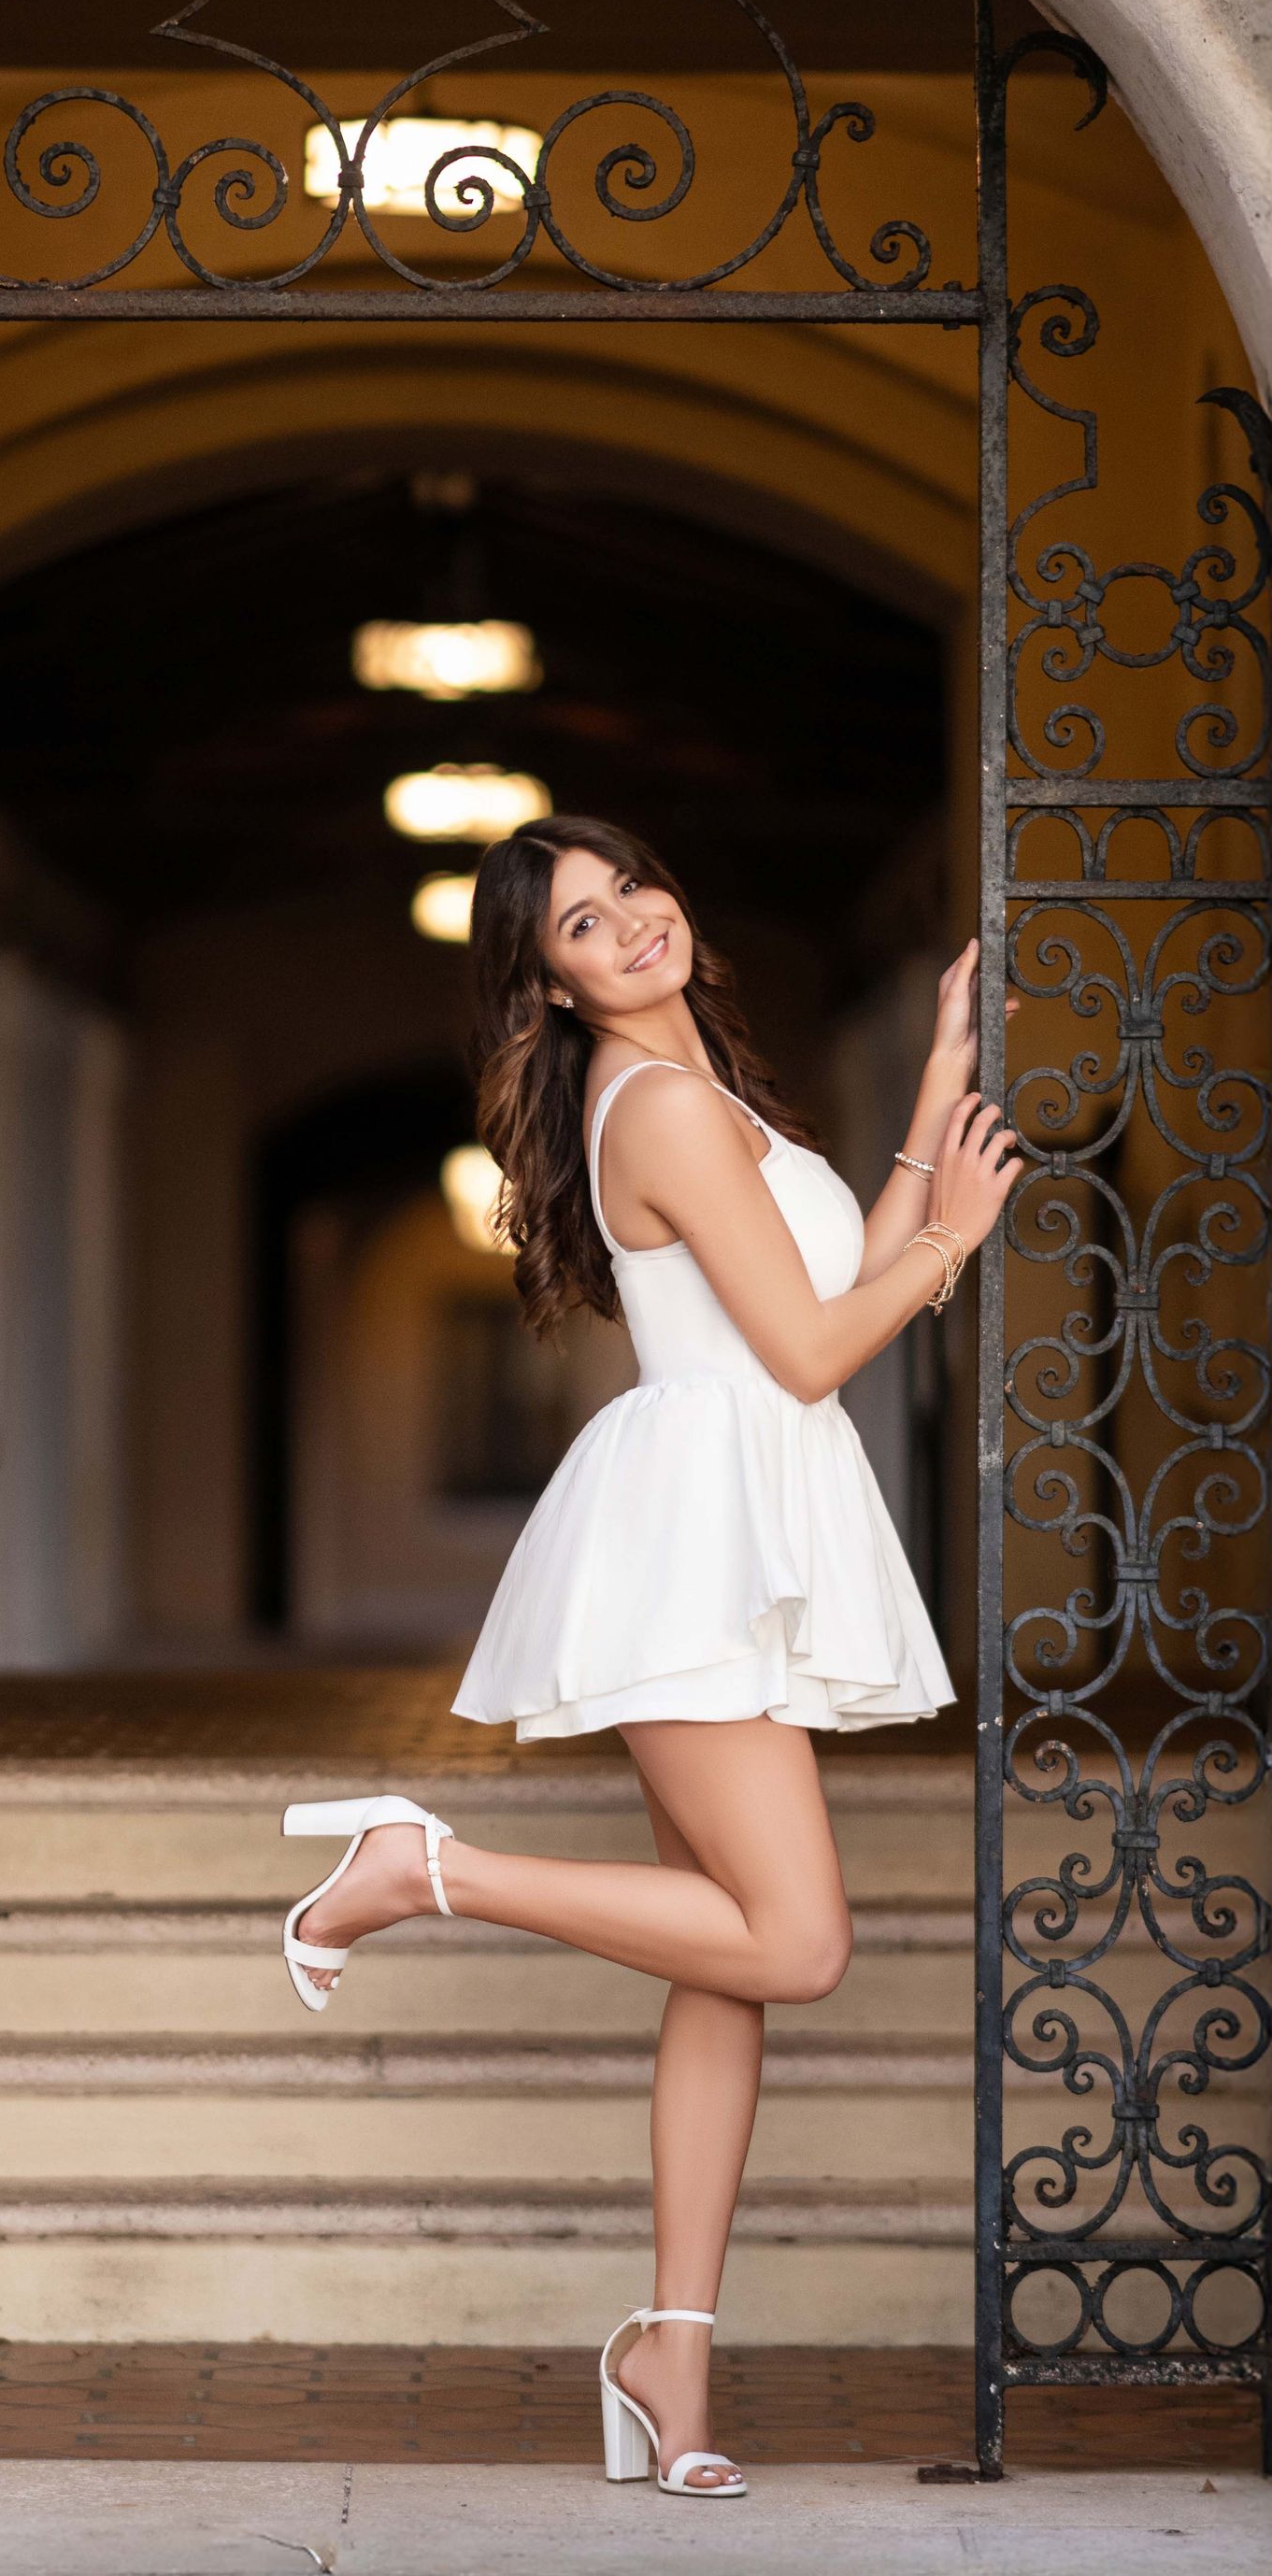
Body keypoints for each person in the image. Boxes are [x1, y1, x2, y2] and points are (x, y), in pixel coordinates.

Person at [279, 813, 1020, 2500]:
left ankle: (667, 2359)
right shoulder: (667, 1107)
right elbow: (821, 1349)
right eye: (585, 929)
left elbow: (825, 1265)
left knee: (728, 1962)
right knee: (797, 1938)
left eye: (635, 894)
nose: (632, 931)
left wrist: (933, 1093)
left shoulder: (715, 1096)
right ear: (547, 986)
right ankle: (421, 1866)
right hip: (701, 1538)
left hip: (731, 1529)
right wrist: (959, 1236)